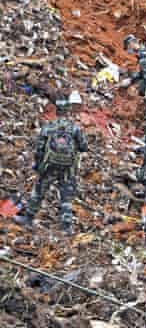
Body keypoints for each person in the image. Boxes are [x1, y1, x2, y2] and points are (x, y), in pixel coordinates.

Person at [14, 93, 88, 234]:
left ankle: (28, 219)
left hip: (49, 167)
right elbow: (84, 147)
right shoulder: (75, 128)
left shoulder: (48, 127)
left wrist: (37, 165)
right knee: (66, 196)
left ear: (57, 110)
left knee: (39, 191)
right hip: (67, 169)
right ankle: (66, 227)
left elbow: (39, 149)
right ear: (68, 110)